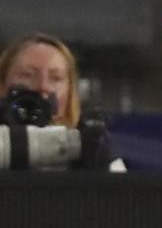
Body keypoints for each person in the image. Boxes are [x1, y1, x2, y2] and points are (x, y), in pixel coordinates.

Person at [0, 33, 118, 171]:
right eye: (28, 75)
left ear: (70, 91)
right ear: (2, 86)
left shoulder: (93, 150)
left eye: (56, 78)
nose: (43, 86)